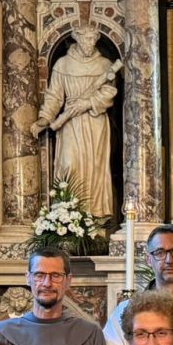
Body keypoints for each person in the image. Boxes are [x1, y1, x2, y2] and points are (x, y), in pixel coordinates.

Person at [38, 18, 119, 218]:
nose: (91, 43)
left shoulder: (105, 65)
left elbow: (109, 92)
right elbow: (54, 95)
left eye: (93, 39)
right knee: (69, 164)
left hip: (95, 120)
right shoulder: (63, 64)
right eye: (87, 39)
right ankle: (68, 216)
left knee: (95, 167)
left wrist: (88, 103)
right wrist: (45, 118)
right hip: (70, 122)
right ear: (78, 39)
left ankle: (94, 217)